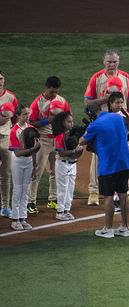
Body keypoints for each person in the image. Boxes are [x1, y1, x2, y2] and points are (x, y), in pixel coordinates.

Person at [84, 48, 129, 206]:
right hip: (103, 122)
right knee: (98, 156)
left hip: (121, 122)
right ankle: (93, 191)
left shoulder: (126, 77)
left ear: (118, 62)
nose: (112, 64)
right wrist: (104, 100)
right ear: (103, 61)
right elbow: (87, 103)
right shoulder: (96, 78)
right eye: (109, 62)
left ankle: (125, 191)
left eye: (115, 61)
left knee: (123, 155)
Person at [78, 109, 129, 238]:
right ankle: (125, 228)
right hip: (125, 164)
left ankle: (108, 229)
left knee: (108, 197)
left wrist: (88, 132)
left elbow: (81, 141)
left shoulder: (95, 125)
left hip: (109, 166)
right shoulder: (118, 118)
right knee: (123, 195)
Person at [28, 76, 70, 214]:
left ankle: (53, 199)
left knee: (54, 171)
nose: (53, 94)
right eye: (51, 92)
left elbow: (69, 116)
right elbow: (31, 122)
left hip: (57, 139)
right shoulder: (37, 103)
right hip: (43, 140)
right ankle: (30, 202)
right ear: (46, 88)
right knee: (37, 171)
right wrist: (47, 121)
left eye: (56, 92)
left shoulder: (62, 100)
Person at [8, 105, 40, 231]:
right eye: (24, 114)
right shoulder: (14, 130)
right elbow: (17, 153)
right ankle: (15, 219)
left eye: (28, 114)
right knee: (18, 189)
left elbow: (35, 150)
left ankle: (23, 218)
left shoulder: (31, 128)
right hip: (18, 161)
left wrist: (34, 164)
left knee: (25, 188)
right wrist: (33, 149)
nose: (27, 116)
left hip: (28, 161)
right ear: (18, 116)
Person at [51, 112, 85, 220]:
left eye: (72, 121)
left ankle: (66, 210)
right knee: (63, 188)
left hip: (72, 164)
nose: (71, 124)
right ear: (62, 123)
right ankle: (60, 212)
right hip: (62, 164)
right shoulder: (59, 136)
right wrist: (75, 150)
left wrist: (78, 150)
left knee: (70, 188)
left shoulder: (72, 134)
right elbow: (61, 153)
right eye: (68, 121)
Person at [0, 70, 19, 218]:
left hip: (6, 139)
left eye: (1, 78)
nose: (0, 81)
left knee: (6, 174)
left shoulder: (10, 97)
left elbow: (16, 118)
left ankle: (5, 206)